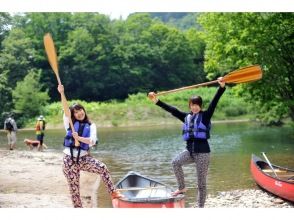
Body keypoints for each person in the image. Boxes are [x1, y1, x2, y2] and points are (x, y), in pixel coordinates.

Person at [148, 78, 226, 208]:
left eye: (197, 105)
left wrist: (221, 87)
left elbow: (214, 102)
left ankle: (200, 208)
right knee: (175, 162)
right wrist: (156, 100)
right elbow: (172, 110)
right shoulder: (186, 117)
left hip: (203, 154)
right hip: (190, 152)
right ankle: (182, 187)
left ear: (200, 106)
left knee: (201, 184)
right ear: (189, 106)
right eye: (192, 105)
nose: (195, 107)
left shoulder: (206, 116)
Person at [57, 84, 123, 208]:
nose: (79, 113)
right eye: (75, 112)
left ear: (84, 110)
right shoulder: (69, 123)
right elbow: (65, 109)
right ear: (73, 115)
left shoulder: (91, 125)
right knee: (74, 190)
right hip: (69, 160)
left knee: (102, 167)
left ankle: (113, 192)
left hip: (83, 159)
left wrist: (79, 138)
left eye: (80, 110)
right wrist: (62, 93)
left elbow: (92, 141)